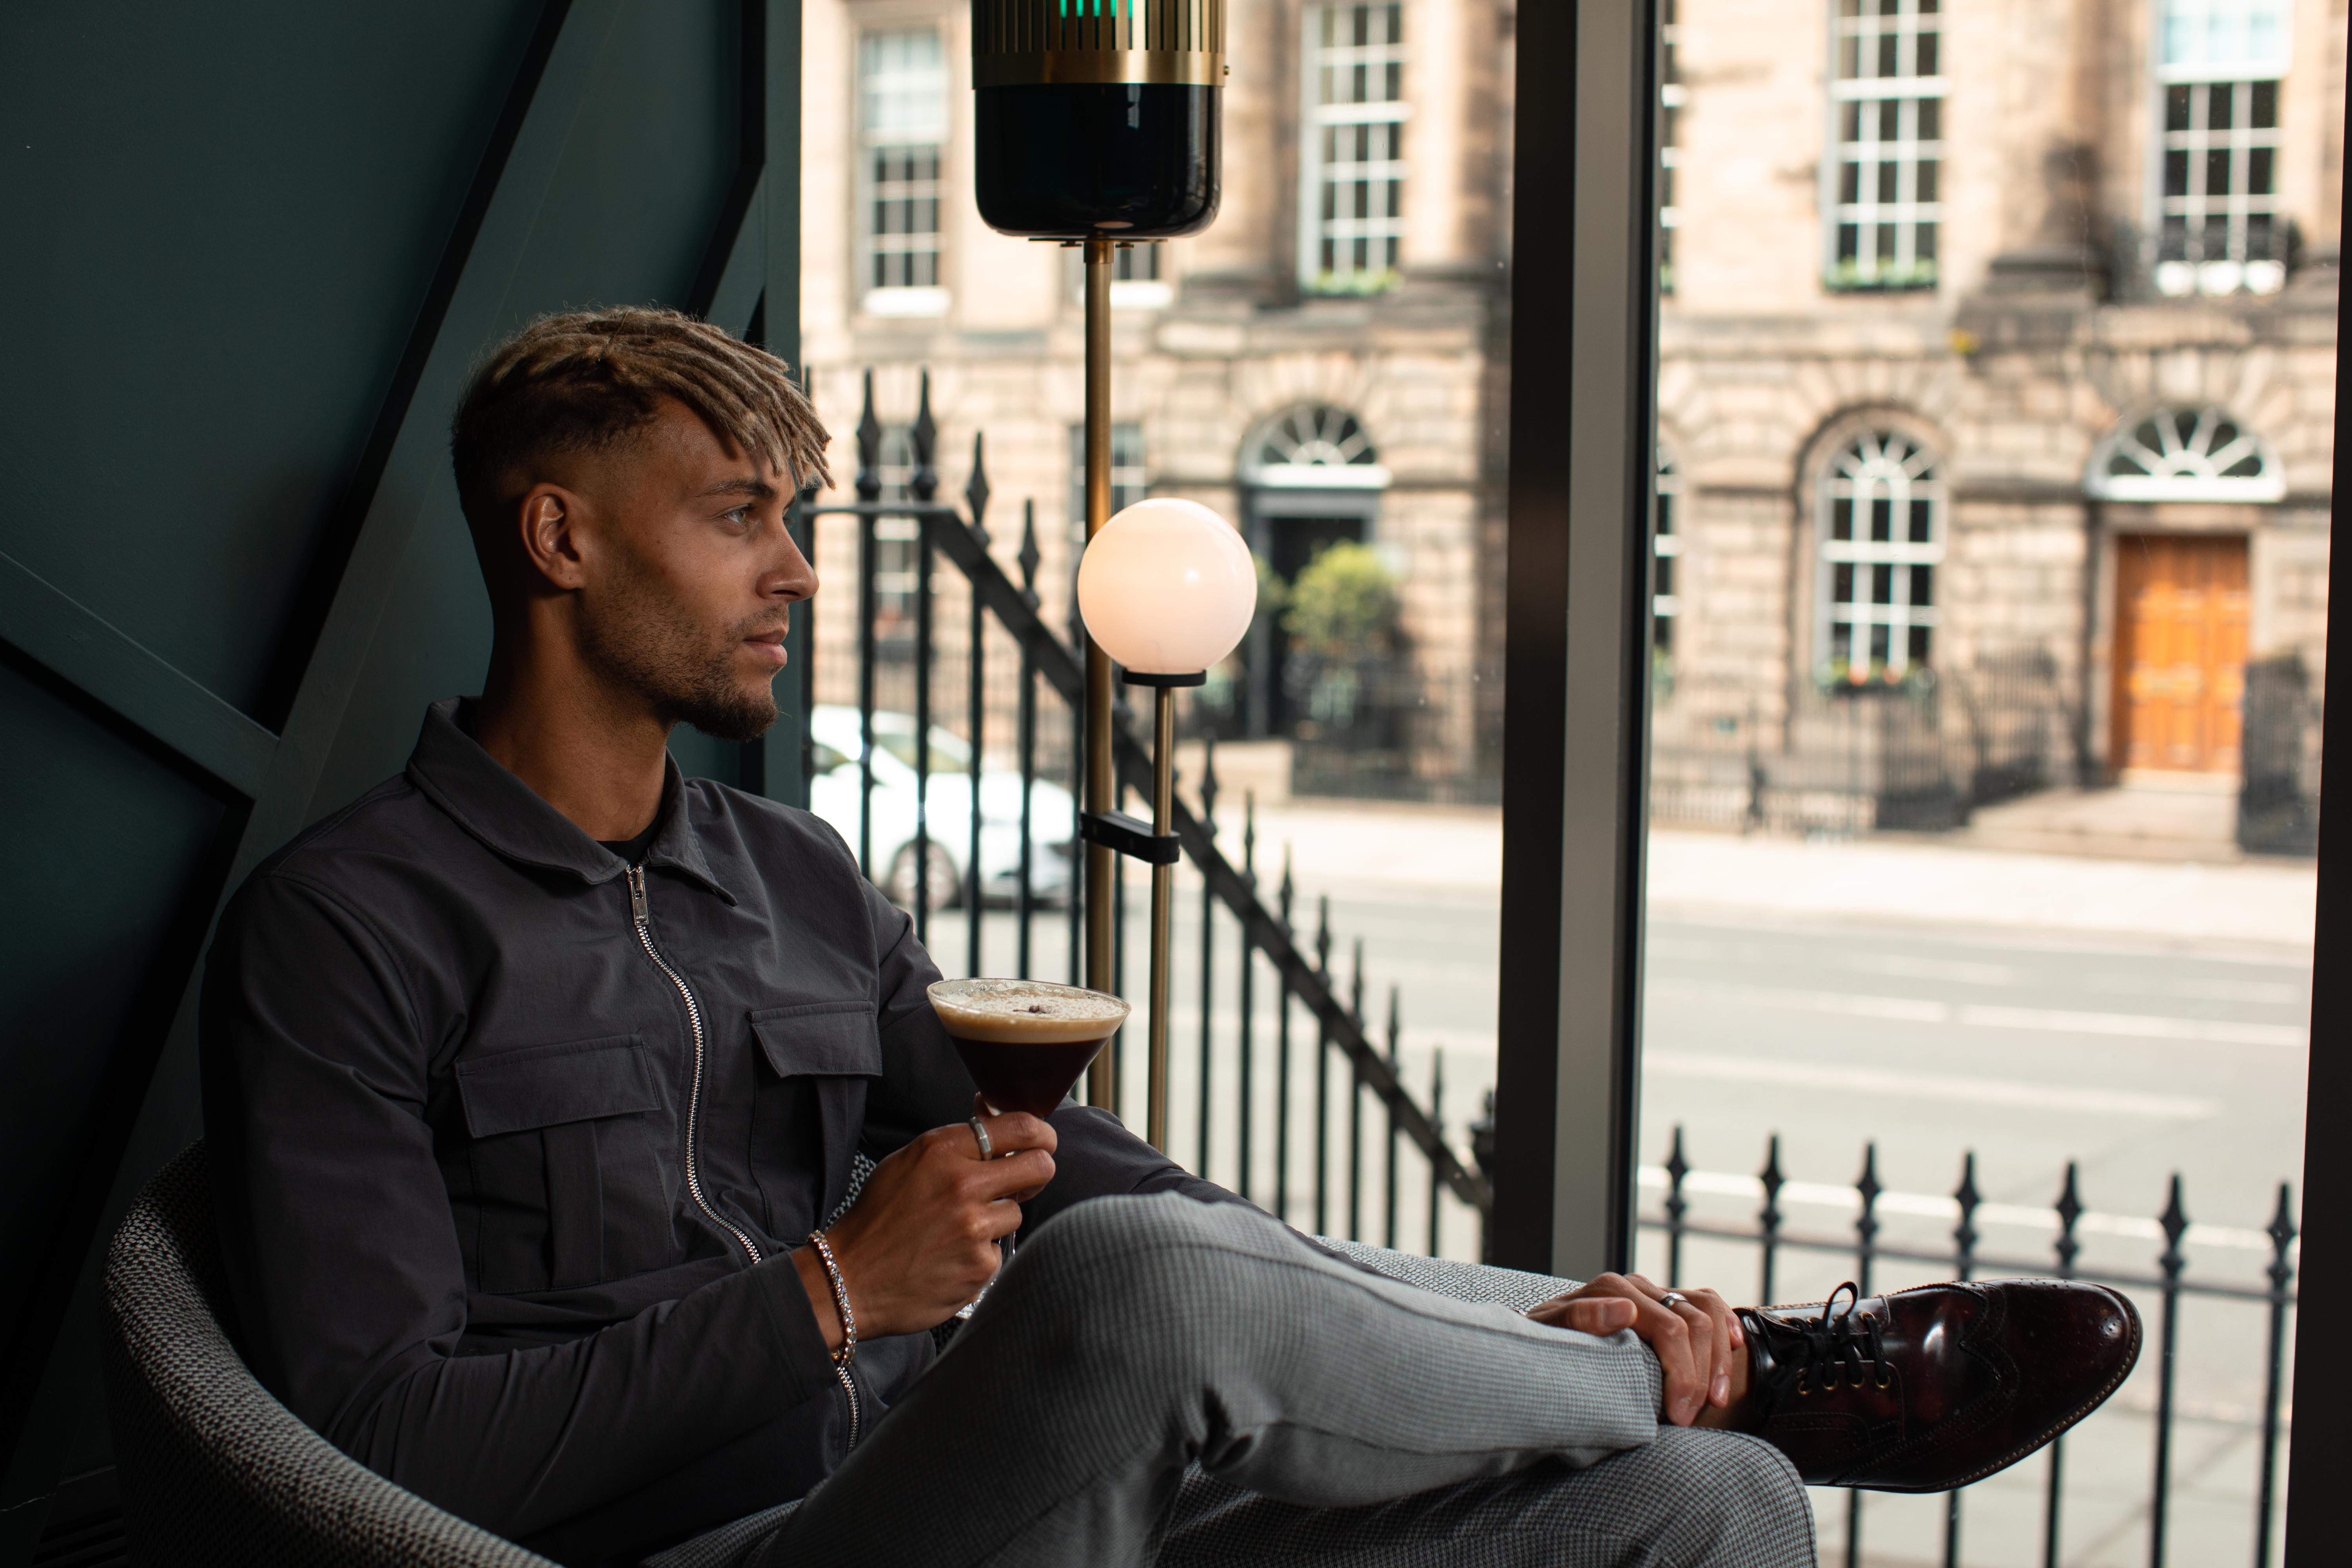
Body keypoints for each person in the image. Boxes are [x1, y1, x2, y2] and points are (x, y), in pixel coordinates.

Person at [202, 308, 2137, 1568]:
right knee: (1136, 1275)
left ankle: (1668, 1368)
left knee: (1709, 1506)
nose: (797, 567)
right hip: (711, 1549)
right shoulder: (349, 929)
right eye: (736, 517)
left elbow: (1138, 1207)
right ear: (558, 543)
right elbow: (388, 1439)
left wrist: (1468, 1317)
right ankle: (1758, 1364)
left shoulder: (792, 878)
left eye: (795, 516)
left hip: (1004, 1493)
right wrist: (823, 1289)